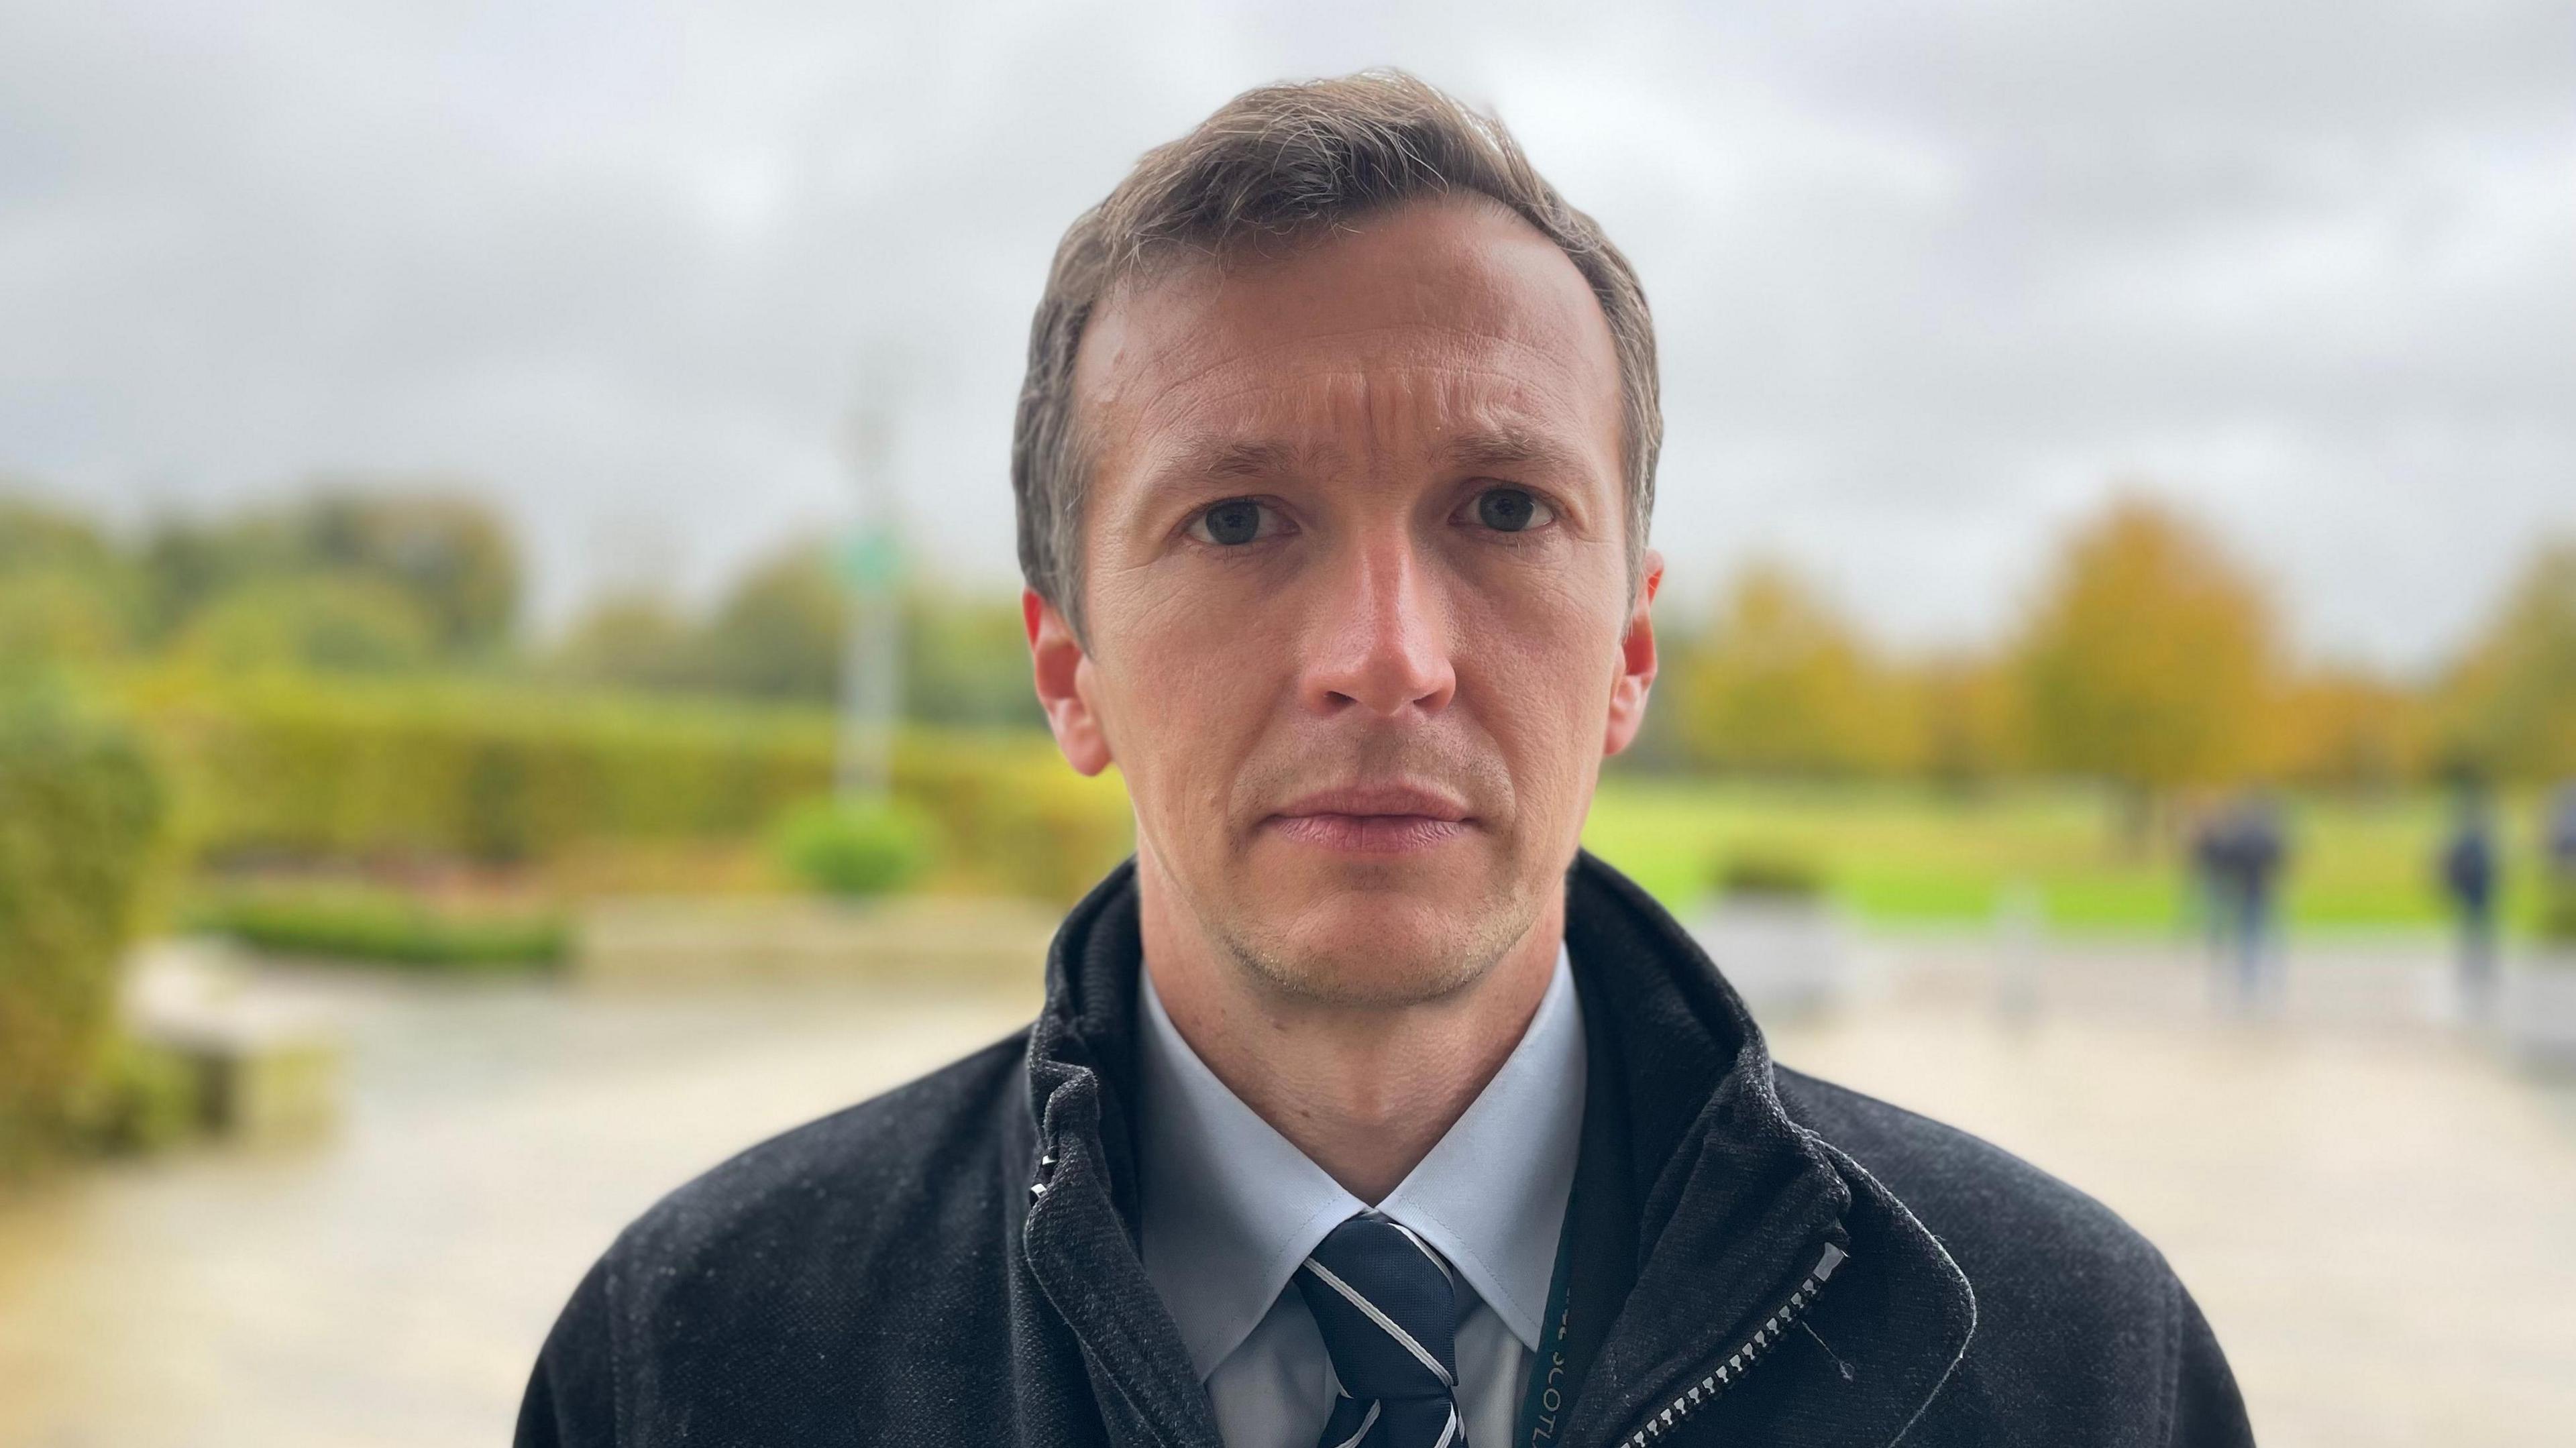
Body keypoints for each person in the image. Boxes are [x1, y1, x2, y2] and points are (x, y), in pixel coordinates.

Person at [515, 70, 2251, 1447]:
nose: (1386, 657)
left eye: (1502, 508)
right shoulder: (695, 1355)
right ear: (1069, 663)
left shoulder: (2076, 1360)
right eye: (1240, 517)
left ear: (1631, 643)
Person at [2440, 782, 2501, 1016]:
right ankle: (2476, 966)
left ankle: (2479, 966)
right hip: (2475, 889)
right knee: (2475, 928)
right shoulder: (2473, 838)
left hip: (2479, 889)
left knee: (2478, 928)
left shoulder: (2474, 838)